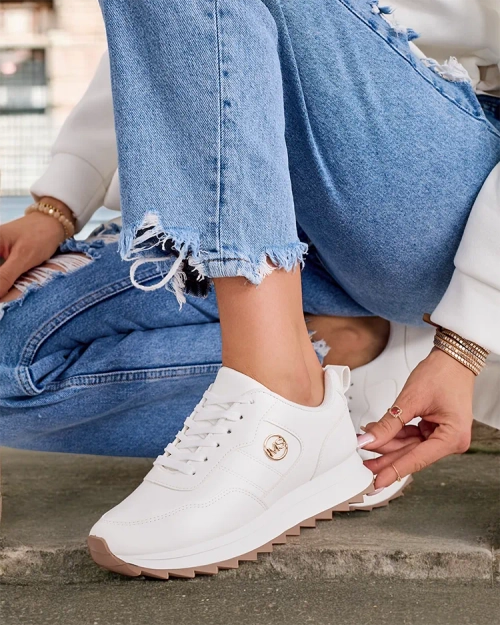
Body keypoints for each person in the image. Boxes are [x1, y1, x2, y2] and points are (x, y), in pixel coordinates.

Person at [0, 0, 499, 578]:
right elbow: (186, 39)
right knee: (10, 365)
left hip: (430, 207)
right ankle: (345, 373)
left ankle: (279, 392)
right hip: (258, 203)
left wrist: (468, 335)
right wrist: (59, 202)